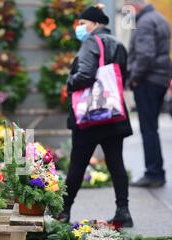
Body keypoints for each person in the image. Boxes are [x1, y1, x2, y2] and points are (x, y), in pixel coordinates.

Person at [58, 4, 134, 227]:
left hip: (90, 117)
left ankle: (64, 211)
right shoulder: (118, 43)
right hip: (113, 112)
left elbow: (85, 75)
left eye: (82, 23)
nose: (79, 28)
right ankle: (123, 211)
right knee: (116, 163)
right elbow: (122, 76)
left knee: (77, 164)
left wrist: (70, 82)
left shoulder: (91, 41)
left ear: (95, 23)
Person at [125, 0, 172, 188]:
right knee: (152, 127)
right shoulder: (159, 18)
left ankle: (153, 173)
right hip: (159, 79)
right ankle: (156, 171)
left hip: (148, 80)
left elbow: (145, 55)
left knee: (148, 128)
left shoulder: (144, 22)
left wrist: (134, 77)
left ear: (134, 6)